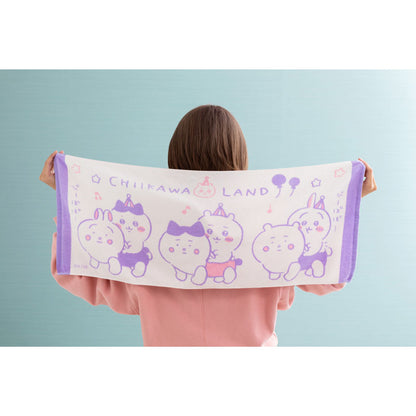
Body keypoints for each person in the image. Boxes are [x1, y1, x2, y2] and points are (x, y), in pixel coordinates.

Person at [39, 104, 377, 346]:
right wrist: (347, 204)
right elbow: (328, 277)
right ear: (240, 156)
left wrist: (67, 202)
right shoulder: (263, 228)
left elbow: (77, 275)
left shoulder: (155, 238)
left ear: (174, 156)